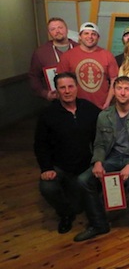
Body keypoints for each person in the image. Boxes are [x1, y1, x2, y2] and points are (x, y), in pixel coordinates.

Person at [74, 76, 129, 242]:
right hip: (112, 158)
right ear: (114, 91)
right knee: (83, 180)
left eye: (126, 89)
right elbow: (99, 144)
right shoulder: (104, 115)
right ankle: (98, 223)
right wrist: (98, 162)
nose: (122, 92)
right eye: (119, 88)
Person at [33, 72, 100, 234]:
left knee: (80, 205)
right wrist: (46, 168)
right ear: (57, 91)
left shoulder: (89, 109)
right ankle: (65, 214)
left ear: (77, 88)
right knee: (47, 187)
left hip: (85, 165)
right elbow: (40, 144)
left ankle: (77, 201)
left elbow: (103, 135)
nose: (67, 91)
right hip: (60, 166)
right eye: (62, 88)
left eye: (70, 86)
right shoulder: (47, 114)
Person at [57, 22, 119, 109]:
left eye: (93, 34)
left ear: (98, 37)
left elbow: (114, 80)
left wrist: (108, 102)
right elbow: (61, 82)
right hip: (76, 108)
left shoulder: (107, 55)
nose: (90, 37)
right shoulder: (67, 56)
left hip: (101, 107)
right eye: (86, 33)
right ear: (80, 36)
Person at [29, 17, 78, 101]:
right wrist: (45, 93)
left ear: (66, 29)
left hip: (81, 98)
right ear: (49, 33)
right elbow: (34, 76)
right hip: (56, 100)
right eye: (53, 29)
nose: (57, 31)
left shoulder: (79, 48)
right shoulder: (41, 52)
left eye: (60, 27)